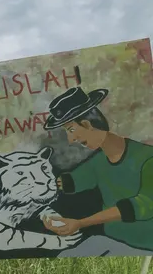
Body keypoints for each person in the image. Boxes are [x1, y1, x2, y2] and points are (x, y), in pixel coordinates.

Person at [42, 86, 153, 256]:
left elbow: (143, 205)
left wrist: (80, 223)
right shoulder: (99, 161)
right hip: (111, 241)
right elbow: (75, 180)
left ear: (87, 124)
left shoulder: (147, 158)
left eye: (71, 130)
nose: (71, 140)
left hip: (142, 246)